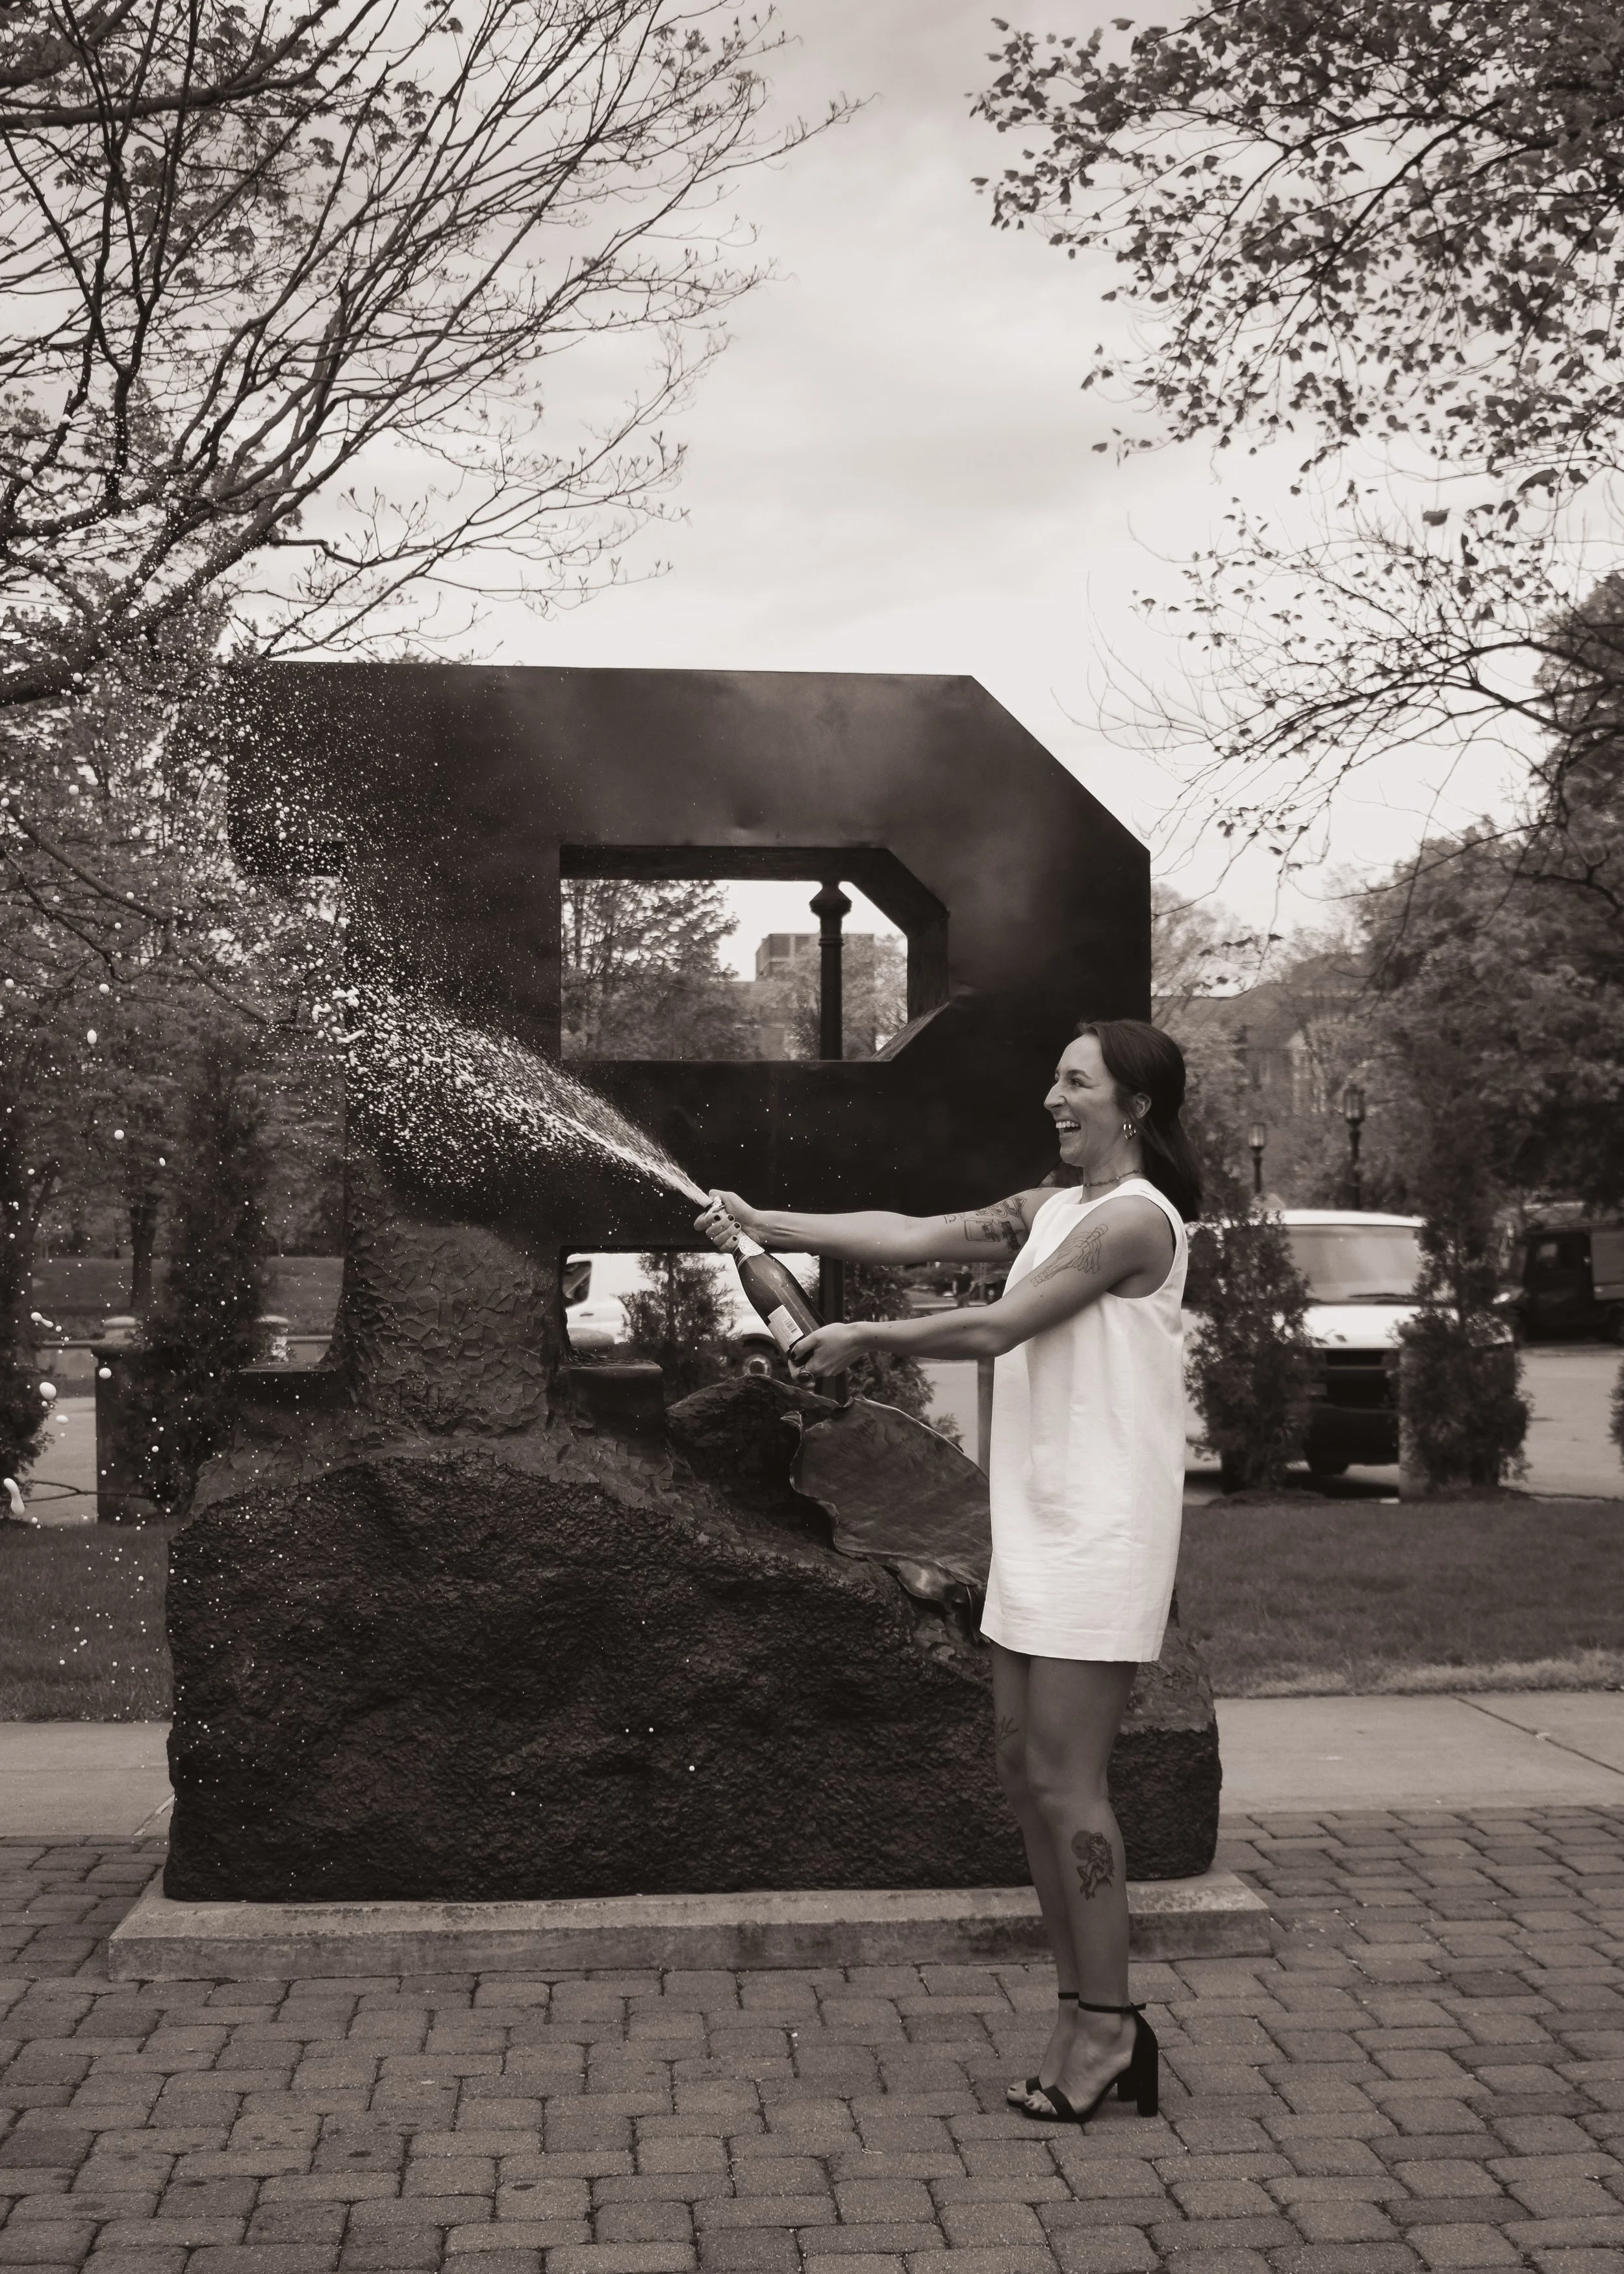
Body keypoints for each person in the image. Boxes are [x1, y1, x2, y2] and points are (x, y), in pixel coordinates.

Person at [695, 1017, 1200, 2128]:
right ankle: (1081, 2013)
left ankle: (1111, 2028)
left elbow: (1000, 1327)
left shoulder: (1133, 1220)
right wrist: (765, 1220)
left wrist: (865, 1341)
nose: (1053, 1097)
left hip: (1103, 1532)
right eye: (1054, 1077)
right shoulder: (1052, 1207)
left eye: (1077, 1082)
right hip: (1036, 1524)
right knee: (1027, 1776)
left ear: (1136, 1106)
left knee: (1069, 1785)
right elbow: (913, 1232)